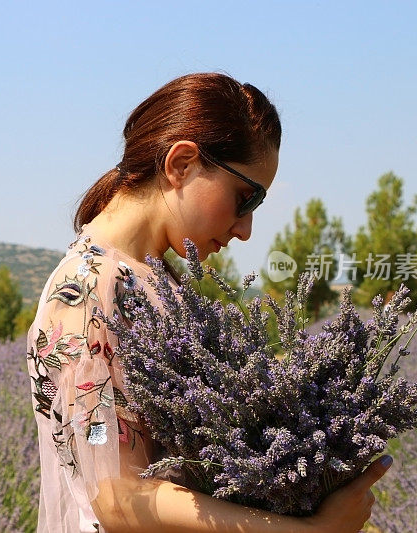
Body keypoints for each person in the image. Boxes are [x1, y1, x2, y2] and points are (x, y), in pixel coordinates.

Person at [26, 72, 392, 532]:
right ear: (181, 163)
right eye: (246, 197)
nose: (246, 229)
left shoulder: (153, 281)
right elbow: (115, 496)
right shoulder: (84, 293)